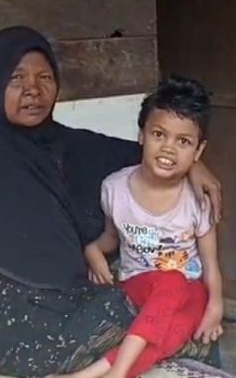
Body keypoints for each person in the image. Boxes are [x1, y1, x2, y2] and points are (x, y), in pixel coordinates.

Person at [0, 26, 224, 378]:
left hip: (66, 305)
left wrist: (196, 167)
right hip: (12, 325)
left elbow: (152, 154)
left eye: (44, 77)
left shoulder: (65, 143)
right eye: (17, 79)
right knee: (177, 311)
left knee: (176, 298)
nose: (33, 90)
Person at [60, 75, 223, 378]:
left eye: (183, 141)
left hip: (189, 291)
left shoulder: (197, 200)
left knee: (175, 328)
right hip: (138, 287)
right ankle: (118, 372)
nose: (168, 148)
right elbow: (111, 237)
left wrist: (216, 307)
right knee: (171, 282)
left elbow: (210, 266)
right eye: (159, 134)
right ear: (141, 136)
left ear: (198, 152)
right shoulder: (115, 188)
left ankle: (90, 375)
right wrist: (93, 249)